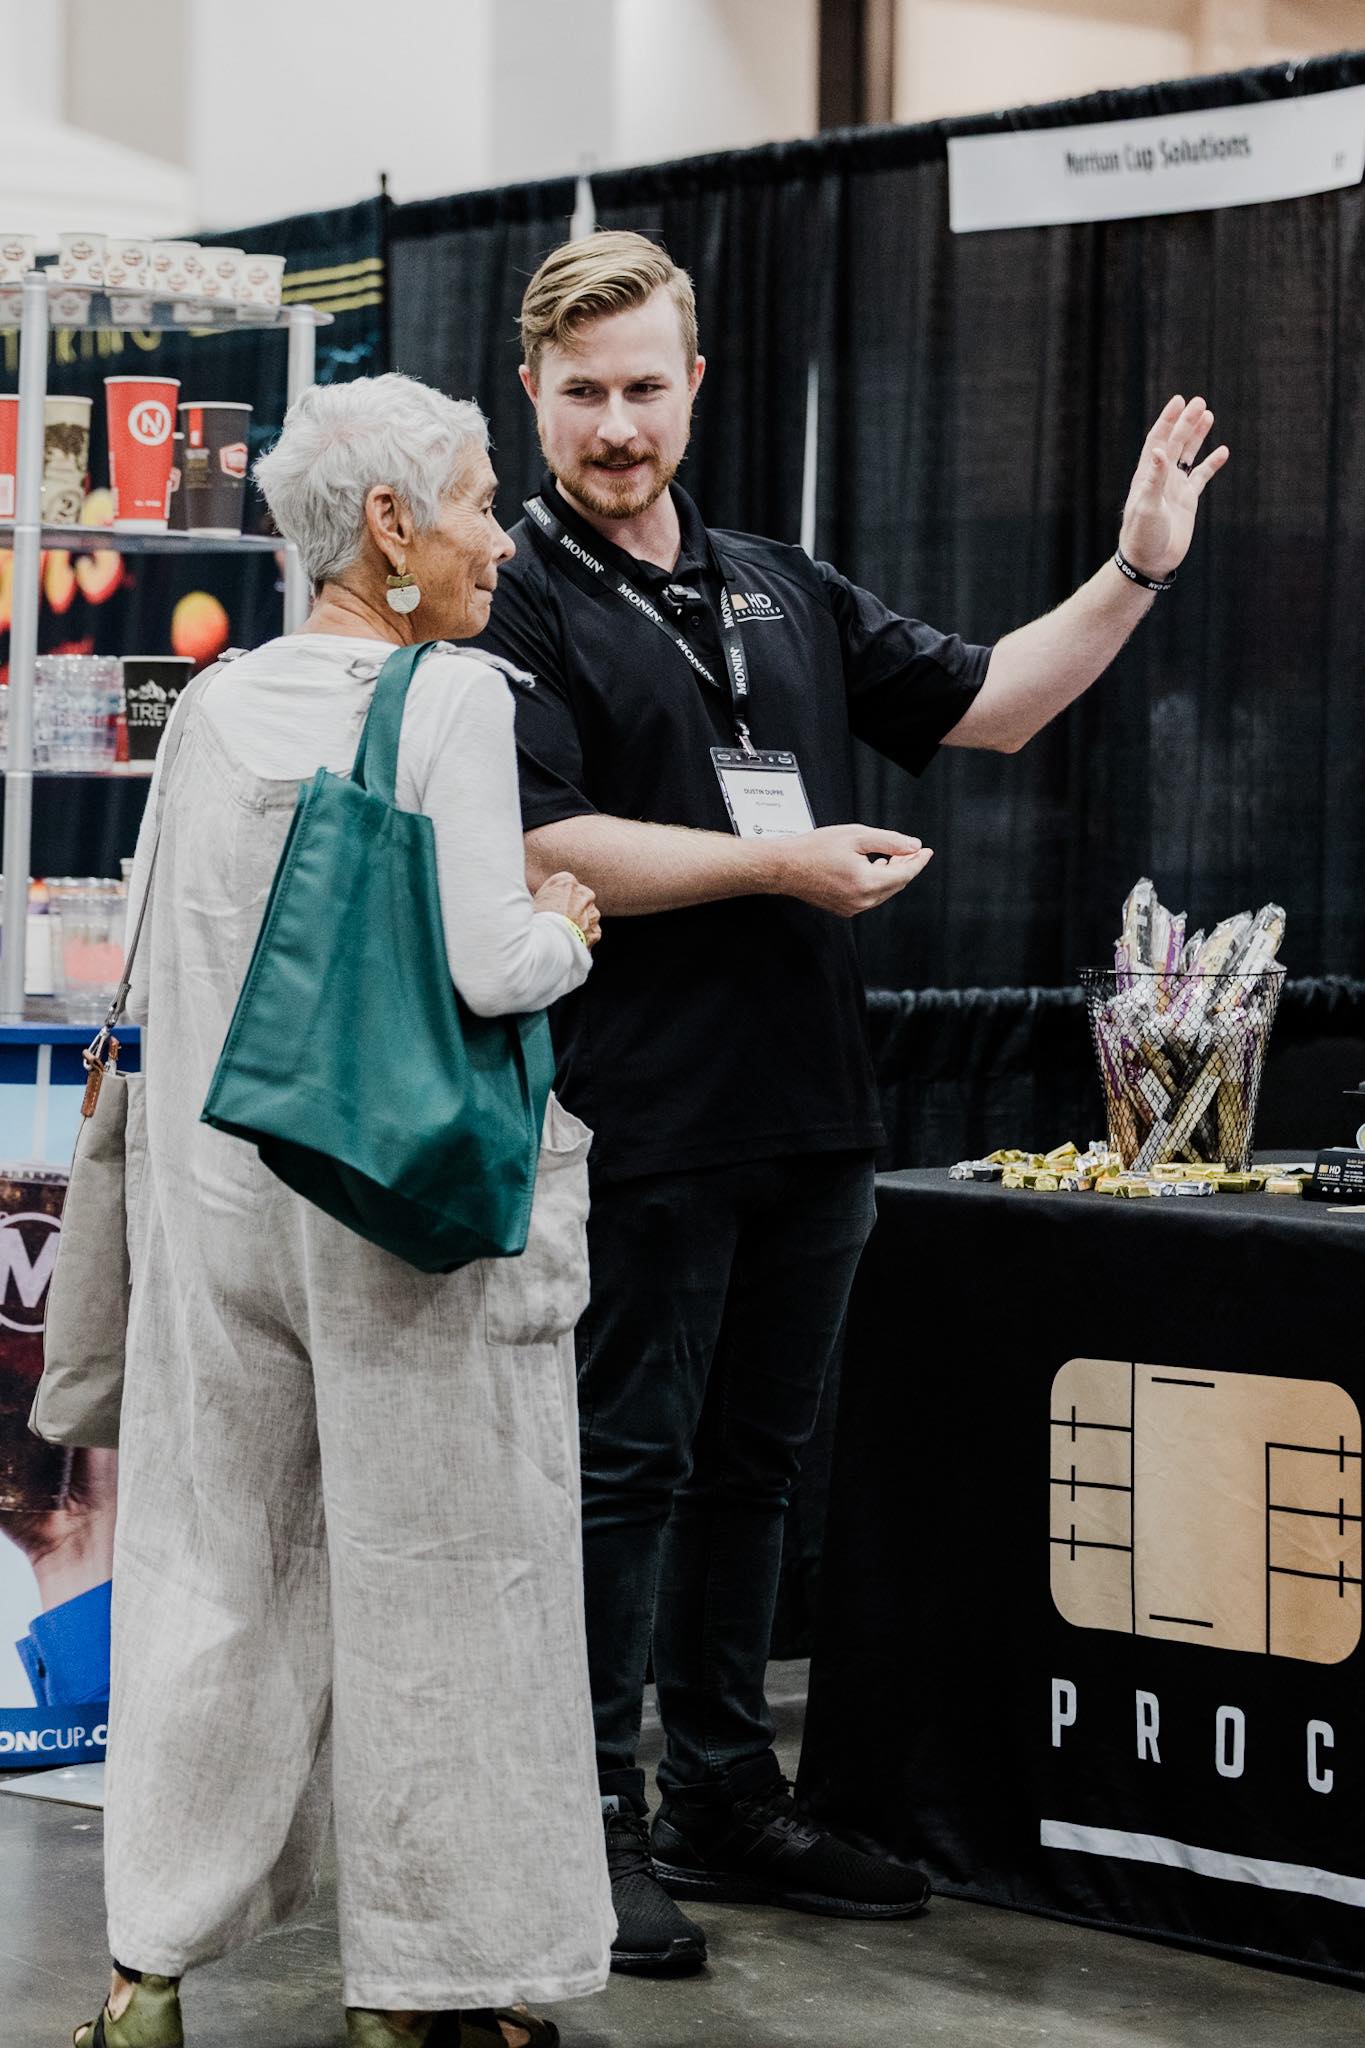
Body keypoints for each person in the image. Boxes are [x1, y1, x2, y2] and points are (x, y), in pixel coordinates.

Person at [472, 230, 1228, 1976]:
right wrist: (776, 861)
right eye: (580, 395)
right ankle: (578, 1825)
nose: (613, 426)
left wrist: (1133, 568)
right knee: (619, 1475)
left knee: (754, 1469)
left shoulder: (770, 580)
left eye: (643, 389)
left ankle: (720, 1796)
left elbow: (992, 705)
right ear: (533, 394)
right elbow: (539, 837)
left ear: (694, 385)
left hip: (809, 1110)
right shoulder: (509, 594)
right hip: (630, 1111)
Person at [76, 373, 613, 2048]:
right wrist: (573, 922)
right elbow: (483, 961)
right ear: (387, 528)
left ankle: (146, 1967)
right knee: (453, 1578)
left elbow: (165, 973)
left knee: (211, 1569)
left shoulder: (216, 711)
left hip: (219, 1209)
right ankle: (429, 1988)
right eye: (469, 505)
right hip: (404, 1214)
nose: (495, 545)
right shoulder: (447, 696)